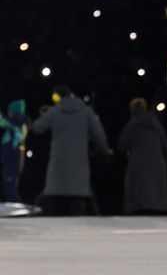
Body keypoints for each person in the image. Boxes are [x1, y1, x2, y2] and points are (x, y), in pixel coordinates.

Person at [31, 85, 112, 215]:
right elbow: (99, 135)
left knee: (56, 207)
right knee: (77, 206)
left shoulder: (54, 111)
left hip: (58, 165)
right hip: (79, 165)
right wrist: (104, 150)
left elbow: (37, 128)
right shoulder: (86, 111)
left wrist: (45, 114)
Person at [118, 97, 167, 214]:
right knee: (156, 198)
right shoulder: (156, 124)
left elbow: (122, 145)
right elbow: (166, 147)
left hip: (138, 164)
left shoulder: (132, 125)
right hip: (158, 165)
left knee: (139, 199)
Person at [0, 99, 29, 202]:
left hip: (12, 159)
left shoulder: (18, 121)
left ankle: (15, 205)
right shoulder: (20, 122)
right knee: (10, 184)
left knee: (10, 185)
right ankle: (14, 204)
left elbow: (3, 122)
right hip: (14, 159)